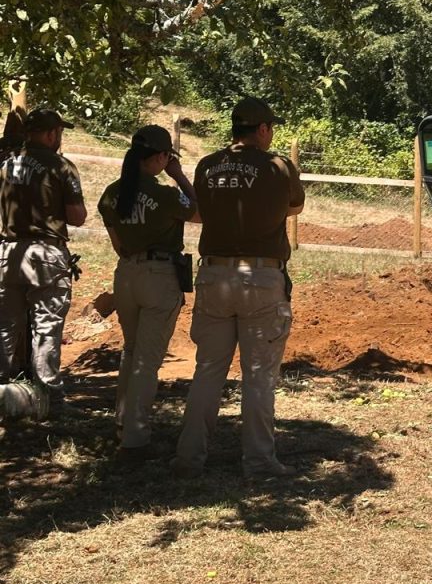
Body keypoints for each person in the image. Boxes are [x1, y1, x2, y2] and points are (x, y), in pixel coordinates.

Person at [173, 97, 304, 479]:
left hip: (213, 277)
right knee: (259, 374)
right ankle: (259, 461)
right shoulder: (279, 166)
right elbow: (294, 208)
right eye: (271, 128)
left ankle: (189, 457)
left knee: (208, 370)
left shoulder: (206, 165)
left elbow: (202, 211)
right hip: (260, 279)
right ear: (262, 130)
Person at [97, 125, 200, 461]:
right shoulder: (165, 195)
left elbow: (118, 245)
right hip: (159, 276)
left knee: (131, 351)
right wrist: (179, 175)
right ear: (161, 157)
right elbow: (200, 212)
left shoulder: (112, 194)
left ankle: (123, 424)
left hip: (126, 275)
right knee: (147, 359)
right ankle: (136, 439)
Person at [0, 108, 87, 409]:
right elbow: (77, 216)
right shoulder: (61, 166)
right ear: (51, 134)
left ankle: (3, 392)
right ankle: (48, 397)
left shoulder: (6, 163)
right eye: (59, 132)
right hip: (46, 254)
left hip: (8, 252)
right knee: (46, 326)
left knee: (5, 324)